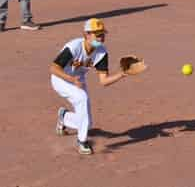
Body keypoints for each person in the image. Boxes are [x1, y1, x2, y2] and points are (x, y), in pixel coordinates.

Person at [50, 18, 147, 155]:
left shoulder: (101, 52)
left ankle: (64, 117)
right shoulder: (74, 47)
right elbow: (53, 68)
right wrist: (71, 79)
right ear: (86, 35)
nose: (101, 38)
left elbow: (104, 81)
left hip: (78, 80)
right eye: (97, 34)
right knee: (82, 98)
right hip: (61, 79)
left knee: (87, 123)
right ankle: (82, 142)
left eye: (102, 34)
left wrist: (122, 74)